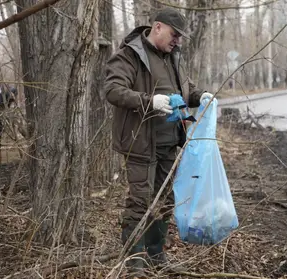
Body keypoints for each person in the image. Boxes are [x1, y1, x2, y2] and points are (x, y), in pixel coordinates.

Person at [103, 7, 213, 277]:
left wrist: (202, 96)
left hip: (169, 143)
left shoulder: (173, 57)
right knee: (140, 202)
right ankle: (134, 263)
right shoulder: (130, 54)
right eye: (175, 34)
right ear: (158, 27)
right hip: (139, 144)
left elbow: (184, 90)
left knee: (164, 201)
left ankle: (156, 256)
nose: (178, 41)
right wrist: (148, 101)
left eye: (181, 37)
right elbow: (113, 90)